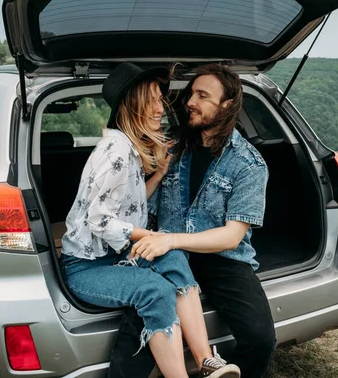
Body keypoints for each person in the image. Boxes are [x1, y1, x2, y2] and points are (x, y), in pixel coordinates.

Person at [60, 62, 240, 378]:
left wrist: (158, 175)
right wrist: (150, 236)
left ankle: (207, 362)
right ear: (135, 103)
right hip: (86, 267)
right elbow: (99, 221)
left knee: (173, 255)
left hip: (114, 257)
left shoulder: (128, 147)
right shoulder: (115, 151)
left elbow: (125, 206)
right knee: (155, 289)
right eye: (155, 100)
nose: (161, 109)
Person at [109, 64, 276, 378]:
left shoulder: (249, 163)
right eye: (191, 94)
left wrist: (170, 239)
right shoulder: (172, 148)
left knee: (260, 338)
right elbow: (135, 208)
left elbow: (231, 237)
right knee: (137, 336)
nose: (190, 102)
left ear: (226, 106)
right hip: (169, 255)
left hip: (221, 257)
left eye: (202, 95)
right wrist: (157, 174)